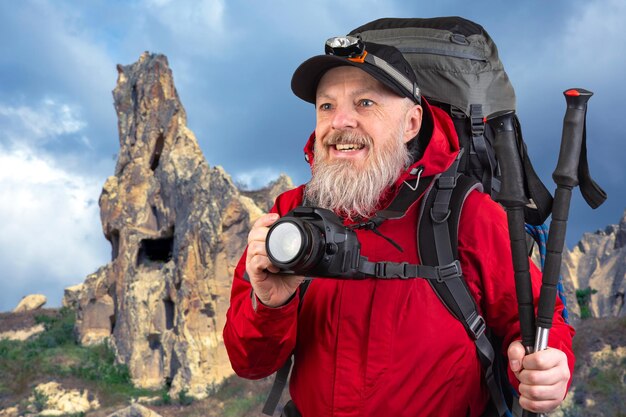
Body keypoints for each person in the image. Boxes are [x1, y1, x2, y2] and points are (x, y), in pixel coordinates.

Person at [223, 37, 575, 417]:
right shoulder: (292, 214)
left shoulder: (464, 212)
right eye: (327, 106)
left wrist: (550, 367)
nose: (340, 122)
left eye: (365, 103)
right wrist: (270, 304)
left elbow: (541, 320)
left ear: (411, 123)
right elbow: (251, 363)